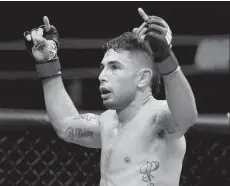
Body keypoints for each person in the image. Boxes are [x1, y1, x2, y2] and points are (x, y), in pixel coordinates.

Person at [23, 8, 197, 186]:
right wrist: (48, 64)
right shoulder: (108, 122)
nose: (102, 76)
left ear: (142, 78)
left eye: (114, 67)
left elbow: (187, 117)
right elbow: (65, 125)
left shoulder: (159, 118)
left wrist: (165, 58)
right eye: (103, 67)